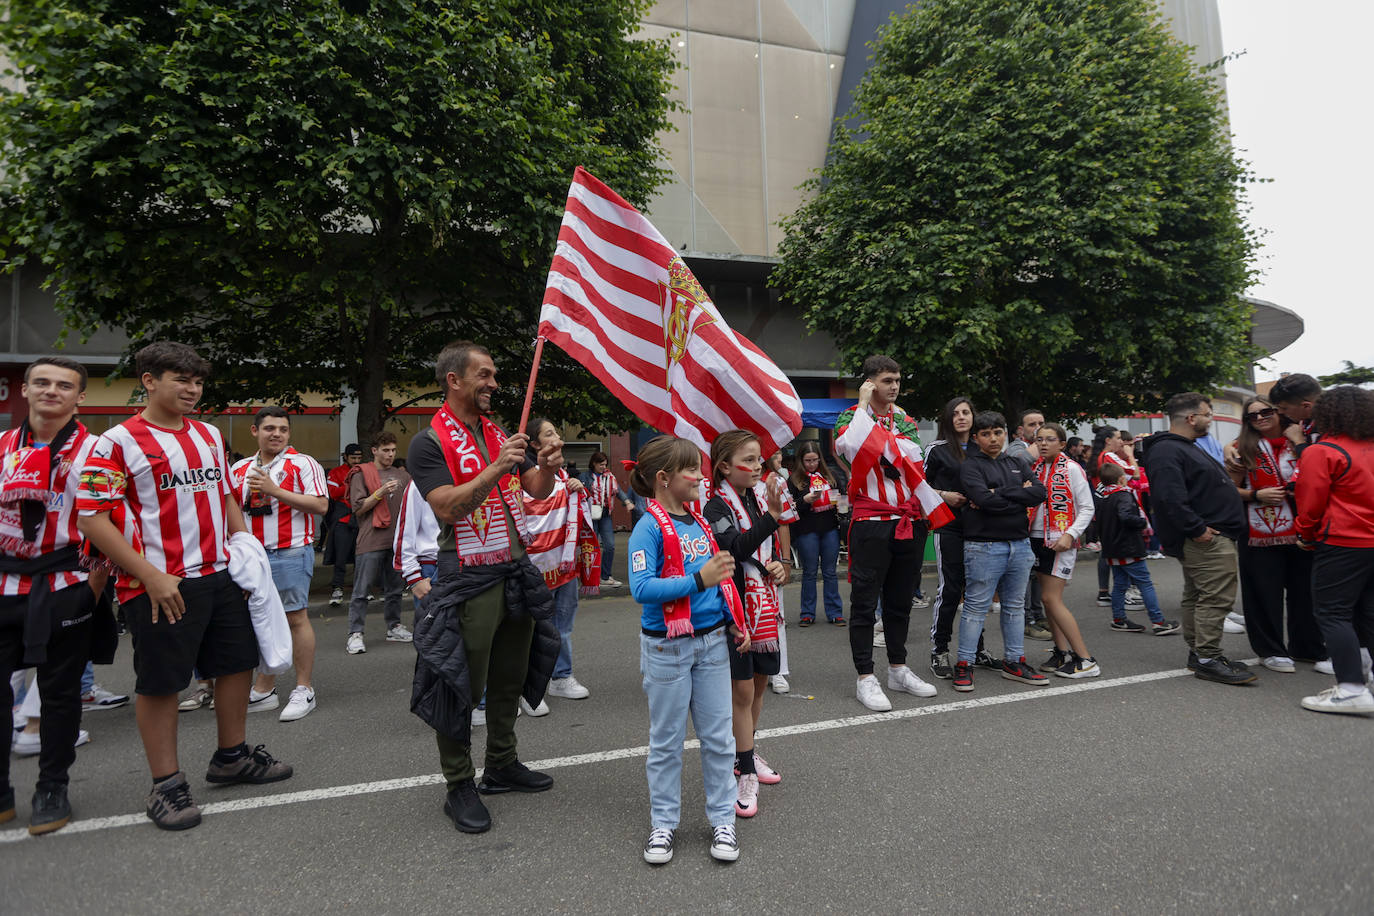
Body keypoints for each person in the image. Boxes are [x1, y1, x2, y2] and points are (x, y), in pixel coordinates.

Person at [77, 342, 293, 831]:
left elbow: (222, 495)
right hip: (158, 584)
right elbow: (92, 518)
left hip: (219, 575)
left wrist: (242, 547)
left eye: (197, 381)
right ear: (149, 380)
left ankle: (232, 757)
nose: (192, 389)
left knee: (237, 663)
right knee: (162, 683)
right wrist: (150, 575)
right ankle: (166, 783)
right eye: (180, 379)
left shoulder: (210, 435)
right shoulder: (114, 442)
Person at [407, 340, 562, 835]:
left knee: (510, 676)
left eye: (494, 375)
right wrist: (496, 467)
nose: (494, 383)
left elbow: (532, 491)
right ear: (454, 380)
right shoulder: (428, 441)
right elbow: (447, 507)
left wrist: (548, 467)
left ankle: (501, 764)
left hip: (514, 570)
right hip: (468, 574)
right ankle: (458, 784)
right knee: (460, 685)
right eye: (485, 375)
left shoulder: (497, 432)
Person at [0, 356, 111, 836]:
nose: (51, 391)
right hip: (4, 584)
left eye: (63, 385)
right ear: (24, 389)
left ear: (79, 396)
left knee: (61, 696)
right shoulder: (2, 447)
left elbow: (111, 520)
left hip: (66, 584)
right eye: (40, 382)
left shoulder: (96, 451)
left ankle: (52, 787)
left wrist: (94, 587)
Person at [626, 435, 745, 865]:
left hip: (712, 642)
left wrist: (734, 621)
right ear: (663, 479)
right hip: (667, 649)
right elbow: (641, 588)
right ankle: (663, 824)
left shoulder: (697, 521)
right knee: (666, 742)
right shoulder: (647, 527)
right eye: (691, 470)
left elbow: (719, 583)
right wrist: (700, 580)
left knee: (719, 739)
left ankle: (722, 820)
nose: (700, 476)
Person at [833, 355, 941, 711]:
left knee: (899, 603)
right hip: (870, 521)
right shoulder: (850, 415)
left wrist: (876, 445)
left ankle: (898, 668)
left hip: (908, 520)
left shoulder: (905, 419)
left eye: (896, 379)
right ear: (868, 384)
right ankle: (866, 676)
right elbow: (848, 448)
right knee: (864, 604)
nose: (893, 386)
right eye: (886, 380)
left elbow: (910, 458)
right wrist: (864, 408)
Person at [1140, 392, 1254, 686]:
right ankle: (1208, 658)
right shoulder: (1168, 450)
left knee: (1199, 596)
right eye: (1207, 414)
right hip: (1205, 539)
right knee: (1215, 598)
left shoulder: (1181, 447)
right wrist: (1197, 529)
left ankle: (1201, 654)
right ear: (1191, 418)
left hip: (1207, 535)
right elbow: (1169, 498)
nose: (1210, 419)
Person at [704, 431, 789, 819]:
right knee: (740, 694)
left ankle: (747, 753)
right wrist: (772, 516)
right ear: (724, 466)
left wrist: (779, 567)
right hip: (735, 613)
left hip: (763, 608)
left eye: (759, 460)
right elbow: (736, 549)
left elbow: (760, 553)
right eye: (750, 460)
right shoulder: (715, 506)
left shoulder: (755, 498)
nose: (758, 467)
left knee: (757, 688)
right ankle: (744, 769)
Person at [229, 407, 329, 721]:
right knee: (257, 619)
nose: (276, 434)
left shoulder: (302, 463)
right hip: (252, 556)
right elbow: (233, 509)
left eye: (283, 429)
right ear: (254, 431)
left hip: (289, 552)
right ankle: (265, 687)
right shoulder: (240, 467)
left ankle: (304, 689)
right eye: (270, 428)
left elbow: (321, 505)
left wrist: (275, 491)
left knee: (295, 618)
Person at [952, 411, 1049, 692]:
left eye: (998, 432)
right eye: (986, 434)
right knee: (975, 608)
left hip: (1019, 544)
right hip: (984, 546)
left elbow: (1039, 493)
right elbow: (982, 498)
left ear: (1005, 433)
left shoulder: (1017, 461)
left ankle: (1014, 661)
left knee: (1015, 607)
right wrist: (1017, 493)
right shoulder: (970, 466)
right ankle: (964, 665)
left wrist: (998, 494)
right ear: (976, 438)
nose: (993, 438)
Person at [1227, 396, 1325, 674]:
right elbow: (1230, 489)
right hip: (1259, 530)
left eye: (1265, 412)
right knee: (1263, 593)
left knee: (1305, 592)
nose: (1259, 418)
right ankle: (1270, 649)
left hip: (1302, 526)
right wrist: (1256, 494)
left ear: (1279, 413)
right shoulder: (1240, 448)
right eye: (1252, 416)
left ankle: (1308, 646)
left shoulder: (1304, 440)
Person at [1294, 386, 1374, 714]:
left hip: (1343, 540)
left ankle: (1352, 689)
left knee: (1332, 613)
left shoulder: (1322, 451)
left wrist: (1305, 533)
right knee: (1370, 613)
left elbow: (1310, 504)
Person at [523, 417, 594, 702]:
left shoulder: (565, 477)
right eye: (549, 434)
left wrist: (579, 492)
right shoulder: (525, 479)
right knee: (531, 629)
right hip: (534, 568)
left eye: (557, 432)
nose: (557, 438)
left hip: (564, 567)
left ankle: (561, 676)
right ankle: (529, 685)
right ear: (536, 445)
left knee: (562, 627)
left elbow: (576, 517)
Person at [923, 396, 995, 679]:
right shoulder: (936, 449)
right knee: (951, 589)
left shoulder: (983, 447)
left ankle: (976, 650)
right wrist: (945, 495)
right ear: (947, 419)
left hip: (979, 528)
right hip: (948, 526)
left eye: (966, 412)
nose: (962, 417)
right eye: (956, 413)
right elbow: (918, 484)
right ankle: (939, 650)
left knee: (977, 591)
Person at [1028, 423, 1099, 677]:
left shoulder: (1071, 468)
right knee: (1048, 601)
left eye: (1050, 439)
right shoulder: (1033, 468)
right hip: (1035, 539)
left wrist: (1070, 534)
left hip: (1060, 540)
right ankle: (1062, 653)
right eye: (1039, 440)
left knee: (1050, 599)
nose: (1044, 444)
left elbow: (1087, 508)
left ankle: (1086, 659)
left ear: (1062, 444)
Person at [345, 431, 413, 654]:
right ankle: (356, 633)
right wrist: (379, 493)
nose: (390, 454)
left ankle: (393, 626)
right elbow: (358, 508)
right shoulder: (361, 474)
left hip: (397, 540)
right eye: (385, 450)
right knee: (361, 590)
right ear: (374, 451)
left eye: (393, 450)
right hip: (371, 539)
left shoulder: (402, 476)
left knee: (395, 589)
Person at [1096, 463, 1179, 636]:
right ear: (1120, 479)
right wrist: (1142, 522)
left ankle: (1119, 619)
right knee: (1145, 584)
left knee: (1120, 584)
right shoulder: (1123, 496)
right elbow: (1126, 517)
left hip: (1111, 548)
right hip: (1129, 547)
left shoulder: (1103, 497)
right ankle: (1158, 621)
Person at [1005, 408, 1051, 640]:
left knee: (1037, 570)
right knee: (1026, 571)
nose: (1038, 428)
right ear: (1021, 430)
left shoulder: (1045, 449)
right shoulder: (1018, 447)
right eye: (1032, 424)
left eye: (1041, 423)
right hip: (1023, 518)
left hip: (1041, 519)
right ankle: (1026, 620)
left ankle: (1037, 614)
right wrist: (1037, 450)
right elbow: (1013, 462)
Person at [786, 441, 843, 626]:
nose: (811, 464)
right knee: (809, 572)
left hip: (830, 528)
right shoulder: (795, 480)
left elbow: (841, 500)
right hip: (807, 529)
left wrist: (840, 506)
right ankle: (807, 613)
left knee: (830, 572)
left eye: (815, 460)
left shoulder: (830, 475)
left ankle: (835, 612)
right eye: (808, 461)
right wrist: (805, 500)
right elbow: (790, 508)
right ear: (801, 461)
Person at [323, 443, 364, 606]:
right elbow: (332, 494)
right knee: (340, 556)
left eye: (359, 458)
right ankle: (337, 588)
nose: (356, 461)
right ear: (345, 457)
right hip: (342, 520)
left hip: (360, 519)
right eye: (353, 457)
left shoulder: (365, 472)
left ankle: (361, 588)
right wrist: (350, 482)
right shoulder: (335, 473)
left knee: (359, 556)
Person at [583, 452, 629, 589]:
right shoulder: (585, 476)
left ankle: (605, 576)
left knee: (610, 545)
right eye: (601, 464)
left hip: (605, 514)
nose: (604, 467)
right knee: (592, 547)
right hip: (590, 515)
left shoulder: (609, 477)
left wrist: (627, 501)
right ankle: (590, 577)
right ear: (594, 464)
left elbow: (618, 491)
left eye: (605, 464)